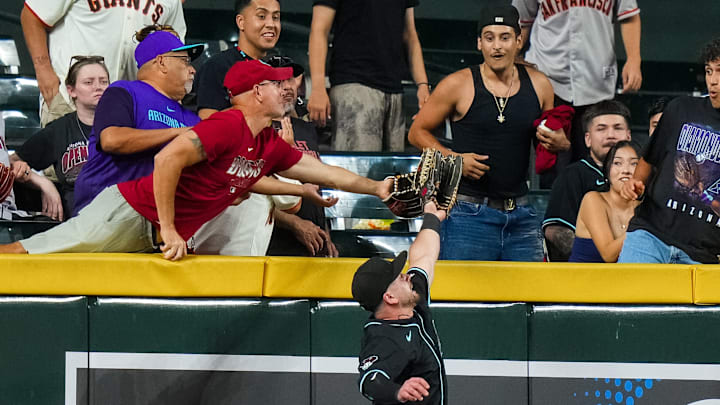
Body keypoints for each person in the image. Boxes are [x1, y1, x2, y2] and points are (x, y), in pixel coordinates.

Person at [0, 60, 393, 261]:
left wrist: (377, 187)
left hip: (160, 227)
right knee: (36, 252)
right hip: (130, 211)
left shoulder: (267, 143)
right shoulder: (226, 126)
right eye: (277, 83)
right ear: (257, 92)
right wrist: (170, 229)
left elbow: (323, 173)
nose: (287, 88)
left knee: (249, 206)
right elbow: (169, 158)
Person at [408, 5, 569, 261]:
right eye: (489, 38)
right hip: (468, 212)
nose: (497, 46)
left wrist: (560, 142)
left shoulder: (539, 85)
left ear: (518, 41)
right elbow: (417, 132)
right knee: (466, 297)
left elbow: (550, 137)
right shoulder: (457, 84)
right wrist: (455, 159)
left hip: (520, 213)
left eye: (505, 37)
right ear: (479, 43)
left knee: (527, 297)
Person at [72, 30, 203, 215]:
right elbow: (112, 140)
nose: (192, 69)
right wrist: (178, 132)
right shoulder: (124, 91)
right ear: (162, 62)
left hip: (155, 218)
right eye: (185, 61)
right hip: (104, 210)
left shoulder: (191, 119)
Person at [619, 39, 720, 264]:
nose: (712, 81)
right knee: (627, 298)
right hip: (650, 234)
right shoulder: (681, 109)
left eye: (719, 72)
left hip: (704, 253)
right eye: (708, 71)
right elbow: (649, 159)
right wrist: (635, 184)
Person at [512, 0, 641, 165]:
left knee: (594, 166)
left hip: (597, 81)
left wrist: (634, 59)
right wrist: (512, 61)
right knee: (552, 164)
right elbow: (521, 22)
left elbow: (629, 15)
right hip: (548, 80)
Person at [20, 0, 187, 126]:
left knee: (126, 172)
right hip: (71, 99)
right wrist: (43, 70)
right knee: (68, 170)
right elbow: (32, 16)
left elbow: (173, 46)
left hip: (132, 109)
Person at [352, 202, 446, 404]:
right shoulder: (384, 337)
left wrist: (431, 217)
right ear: (390, 298)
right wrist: (398, 391)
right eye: (398, 277)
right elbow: (370, 380)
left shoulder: (413, 302)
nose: (407, 276)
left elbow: (423, 256)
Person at [307, 0, 429, 152]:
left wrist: (422, 84)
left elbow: (410, 35)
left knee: (393, 172)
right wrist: (317, 88)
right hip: (354, 84)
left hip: (395, 90)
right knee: (357, 171)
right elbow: (319, 30)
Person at [9, 56, 110, 221]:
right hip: (76, 221)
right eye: (89, 82)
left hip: (117, 215)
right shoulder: (59, 131)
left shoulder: (124, 124)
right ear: (72, 91)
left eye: (103, 81)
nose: (98, 87)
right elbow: (9, 165)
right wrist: (43, 183)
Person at [266, 56, 338, 257]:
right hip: (277, 245)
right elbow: (252, 196)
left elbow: (318, 186)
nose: (287, 87)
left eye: (289, 79)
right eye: (277, 81)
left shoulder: (305, 129)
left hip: (313, 244)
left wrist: (325, 232)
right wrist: (296, 224)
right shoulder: (257, 128)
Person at [543, 100, 632, 261]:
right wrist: (594, 256)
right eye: (601, 129)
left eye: (617, 128)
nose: (610, 135)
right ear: (588, 139)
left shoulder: (640, 175)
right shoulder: (573, 175)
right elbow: (554, 230)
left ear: (628, 135)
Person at [193, 0, 281, 120]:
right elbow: (206, 122)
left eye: (276, 17)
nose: (271, 24)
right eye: (261, 16)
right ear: (241, 22)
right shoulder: (218, 66)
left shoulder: (280, 68)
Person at [569, 141, 640, 262]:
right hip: (584, 279)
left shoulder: (646, 207)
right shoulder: (593, 200)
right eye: (617, 163)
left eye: (634, 164)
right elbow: (609, 255)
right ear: (607, 171)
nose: (625, 170)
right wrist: (644, 226)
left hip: (625, 280)